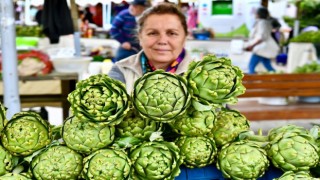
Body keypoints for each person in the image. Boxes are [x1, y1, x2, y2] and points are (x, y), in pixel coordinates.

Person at [108, 3, 194, 93]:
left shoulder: (204, 75)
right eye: (153, 33)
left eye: (172, 33)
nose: (162, 41)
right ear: (140, 37)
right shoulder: (121, 71)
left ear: (184, 38)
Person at [244, 7, 280, 74]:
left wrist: (251, 46)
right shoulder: (266, 22)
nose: (255, 14)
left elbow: (261, 37)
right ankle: (278, 78)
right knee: (268, 66)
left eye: (256, 13)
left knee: (251, 66)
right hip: (265, 47)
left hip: (261, 48)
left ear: (259, 14)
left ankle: (252, 82)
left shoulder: (262, 22)